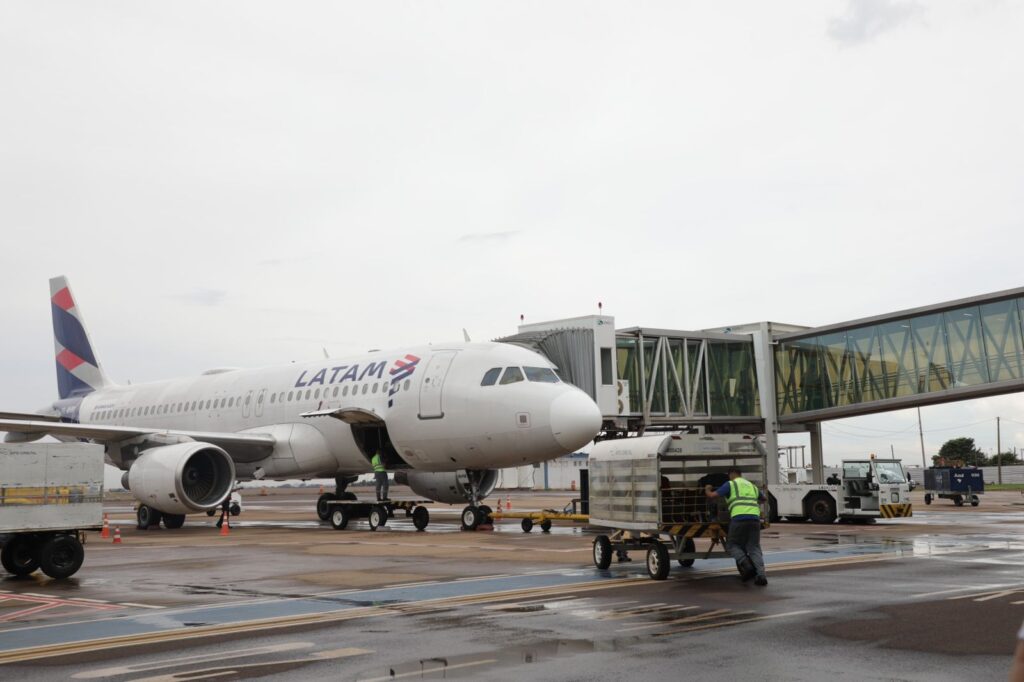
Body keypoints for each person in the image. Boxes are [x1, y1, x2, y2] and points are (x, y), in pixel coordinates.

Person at [705, 467, 767, 586]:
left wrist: (707, 489)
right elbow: (763, 499)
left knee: (732, 545)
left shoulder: (730, 484)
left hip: (739, 518)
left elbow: (713, 496)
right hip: (755, 518)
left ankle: (746, 564)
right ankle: (761, 576)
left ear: (730, 475)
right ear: (740, 474)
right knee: (754, 547)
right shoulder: (751, 485)